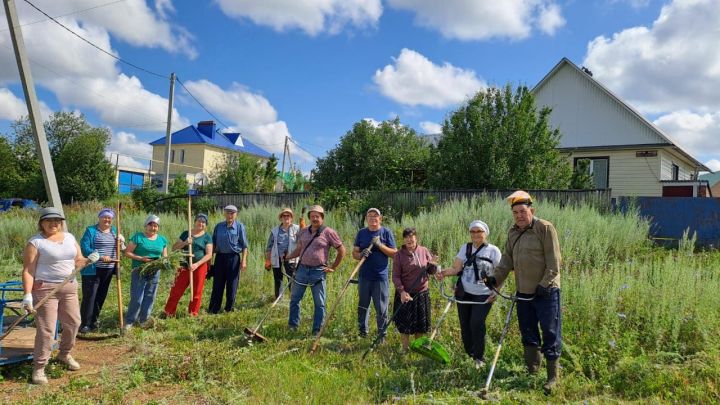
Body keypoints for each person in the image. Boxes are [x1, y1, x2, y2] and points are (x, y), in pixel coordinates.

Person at [484, 190, 562, 394]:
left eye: (522, 211)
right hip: (523, 293)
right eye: (515, 212)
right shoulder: (513, 233)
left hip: (546, 292)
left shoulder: (544, 228)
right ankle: (532, 372)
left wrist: (544, 285)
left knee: (550, 332)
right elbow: (506, 261)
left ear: (531, 210)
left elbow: (554, 263)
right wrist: (495, 278)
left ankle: (553, 378)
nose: (519, 215)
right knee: (528, 332)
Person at [22, 207, 99, 384]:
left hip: (69, 286)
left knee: (73, 323)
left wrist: (88, 260)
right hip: (45, 289)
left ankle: (63, 354)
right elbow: (28, 270)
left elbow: (77, 260)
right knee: (47, 329)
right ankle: (39, 367)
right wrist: (28, 294)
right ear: (42, 223)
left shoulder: (70, 238)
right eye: (49, 220)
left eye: (57, 220)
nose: (53, 223)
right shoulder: (36, 242)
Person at [437, 220, 501, 369]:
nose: (476, 234)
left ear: (485, 233)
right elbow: (456, 268)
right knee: (465, 325)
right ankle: (469, 355)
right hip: (464, 293)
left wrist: (497, 292)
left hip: (484, 294)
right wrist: (443, 273)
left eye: (479, 231)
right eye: (473, 231)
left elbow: (500, 273)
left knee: (476, 323)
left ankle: (479, 357)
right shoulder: (465, 248)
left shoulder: (493, 250)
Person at [285, 205, 346, 335]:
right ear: (309, 218)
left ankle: (317, 331)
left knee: (319, 303)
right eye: (312, 216)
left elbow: (342, 251)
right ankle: (293, 326)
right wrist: (288, 257)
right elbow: (299, 249)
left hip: (318, 271)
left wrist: (333, 267)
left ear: (322, 218)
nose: (314, 218)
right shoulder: (303, 231)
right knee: (295, 299)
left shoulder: (329, 232)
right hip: (301, 269)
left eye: (317, 216)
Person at [78, 208, 124, 334]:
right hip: (93, 269)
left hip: (108, 269)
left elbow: (120, 250)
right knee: (90, 296)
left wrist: (121, 243)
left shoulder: (115, 231)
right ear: (99, 218)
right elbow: (84, 246)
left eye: (109, 218)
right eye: (104, 217)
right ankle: (85, 324)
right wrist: (98, 255)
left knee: (101, 296)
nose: (107, 220)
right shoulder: (91, 231)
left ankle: (94, 321)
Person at [353, 208, 397, 339]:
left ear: (380, 218)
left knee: (381, 308)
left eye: (375, 216)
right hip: (364, 276)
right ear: (366, 219)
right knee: (363, 305)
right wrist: (360, 254)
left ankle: (381, 335)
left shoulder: (386, 232)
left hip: (380, 277)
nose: (373, 218)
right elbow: (354, 253)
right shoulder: (361, 233)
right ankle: (362, 332)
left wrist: (379, 245)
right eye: (370, 216)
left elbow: (395, 254)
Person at [391, 227, 437, 351]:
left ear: (416, 238)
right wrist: (401, 291)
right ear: (403, 239)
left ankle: (417, 348)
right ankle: (405, 349)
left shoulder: (424, 250)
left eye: (411, 236)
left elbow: (431, 271)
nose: (409, 240)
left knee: (420, 325)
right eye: (406, 237)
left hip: (422, 293)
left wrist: (433, 265)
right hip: (405, 293)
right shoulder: (399, 255)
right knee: (405, 324)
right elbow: (395, 276)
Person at [162, 213, 214, 317]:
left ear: (206, 224)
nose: (201, 223)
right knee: (176, 290)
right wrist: (185, 243)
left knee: (197, 292)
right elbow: (174, 248)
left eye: (203, 222)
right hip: (184, 266)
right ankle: (168, 312)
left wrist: (197, 264)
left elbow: (209, 255)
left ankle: (193, 313)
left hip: (199, 267)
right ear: (194, 221)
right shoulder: (186, 234)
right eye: (199, 221)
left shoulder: (207, 237)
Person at [123, 214, 168, 330]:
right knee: (137, 297)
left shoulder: (162, 240)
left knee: (150, 296)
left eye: (155, 226)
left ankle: (143, 319)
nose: (153, 228)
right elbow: (127, 252)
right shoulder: (138, 237)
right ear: (146, 225)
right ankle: (129, 321)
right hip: (139, 270)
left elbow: (165, 256)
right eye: (151, 225)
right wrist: (141, 259)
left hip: (154, 271)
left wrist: (163, 263)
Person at [208, 205, 248, 314]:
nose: (230, 215)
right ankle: (214, 309)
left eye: (232, 213)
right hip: (220, 258)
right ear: (224, 213)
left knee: (232, 285)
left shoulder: (240, 227)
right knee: (217, 284)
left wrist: (243, 261)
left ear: (236, 214)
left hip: (233, 258)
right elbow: (213, 245)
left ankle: (228, 309)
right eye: (228, 213)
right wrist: (209, 260)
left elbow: (244, 246)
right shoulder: (219, 226)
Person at [265, 208, 300, 299]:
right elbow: (269, 247)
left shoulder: (297, 229)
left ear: (291, 218)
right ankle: (279, 299)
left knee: (292, 279)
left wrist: (303, 228)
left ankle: (294, 299)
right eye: (284, 216)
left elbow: (303, 241)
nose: (286, 217)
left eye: (288, 215)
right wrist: (268, 260)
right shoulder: (275, 231)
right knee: (278, 279)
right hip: (277, 258)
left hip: (291, 258)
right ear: (281, 218)